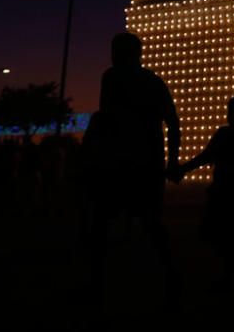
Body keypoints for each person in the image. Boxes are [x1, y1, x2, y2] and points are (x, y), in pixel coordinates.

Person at [82, 32, 182, 307]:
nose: (114, 55)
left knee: (104, 222)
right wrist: (171, 161)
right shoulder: (151, 81)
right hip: (145, 163)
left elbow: (106, 119)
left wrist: (92, 154)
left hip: (119, 163)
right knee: (149, 223)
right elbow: (172, 122)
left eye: (117, 50)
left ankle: (96, 283)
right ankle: (169, 274)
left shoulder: (112, 77)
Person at [179, 93, 234, 290]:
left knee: (218, 231)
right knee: (227, 232)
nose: (229, 115)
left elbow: (206, 156)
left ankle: (233, 270)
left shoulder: (225, 134)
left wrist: (183, 169)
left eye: (232, 111)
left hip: (226, 189)